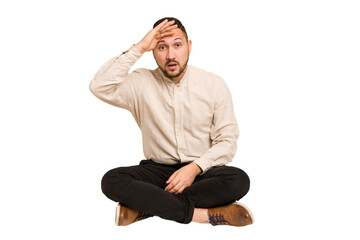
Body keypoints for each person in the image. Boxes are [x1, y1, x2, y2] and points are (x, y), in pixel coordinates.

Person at [89, 17, 253, 227]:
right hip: (157, 173)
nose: (170, 55)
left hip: (201, 172)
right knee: (112, 180)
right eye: (161, 47)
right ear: (152, 51)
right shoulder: (140, 82)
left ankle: (146, 207)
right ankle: (202, 215)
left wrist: (194, 168)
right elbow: (99, 86)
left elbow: (227, 142)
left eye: (177, 45)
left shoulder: (214, 84)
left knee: (238, 180)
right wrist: (139, 48)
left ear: (189, 46)